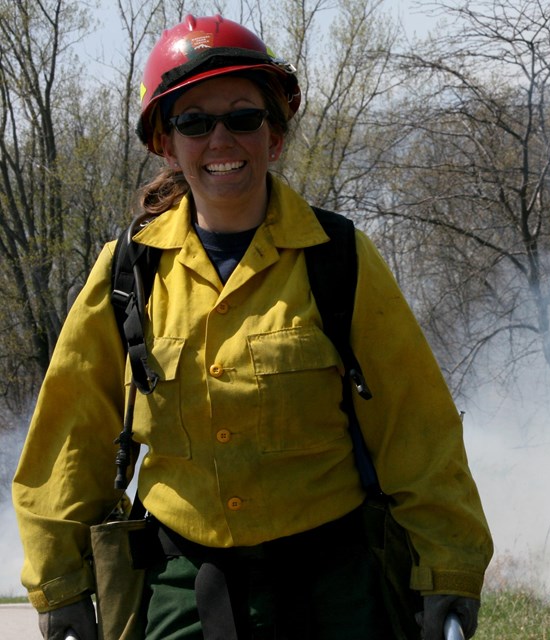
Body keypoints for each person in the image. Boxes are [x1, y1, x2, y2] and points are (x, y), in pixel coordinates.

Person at [12, 14, 493, 640]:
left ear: (276, 136)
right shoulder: (127, 273)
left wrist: (449, 571)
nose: (222, 140)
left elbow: (416, 429)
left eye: (244, 118)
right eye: (194, 122)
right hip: (182, 589)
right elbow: (68, 439)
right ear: (165, 141)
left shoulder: (339, 259)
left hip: (337, 590)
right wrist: (59, 586)